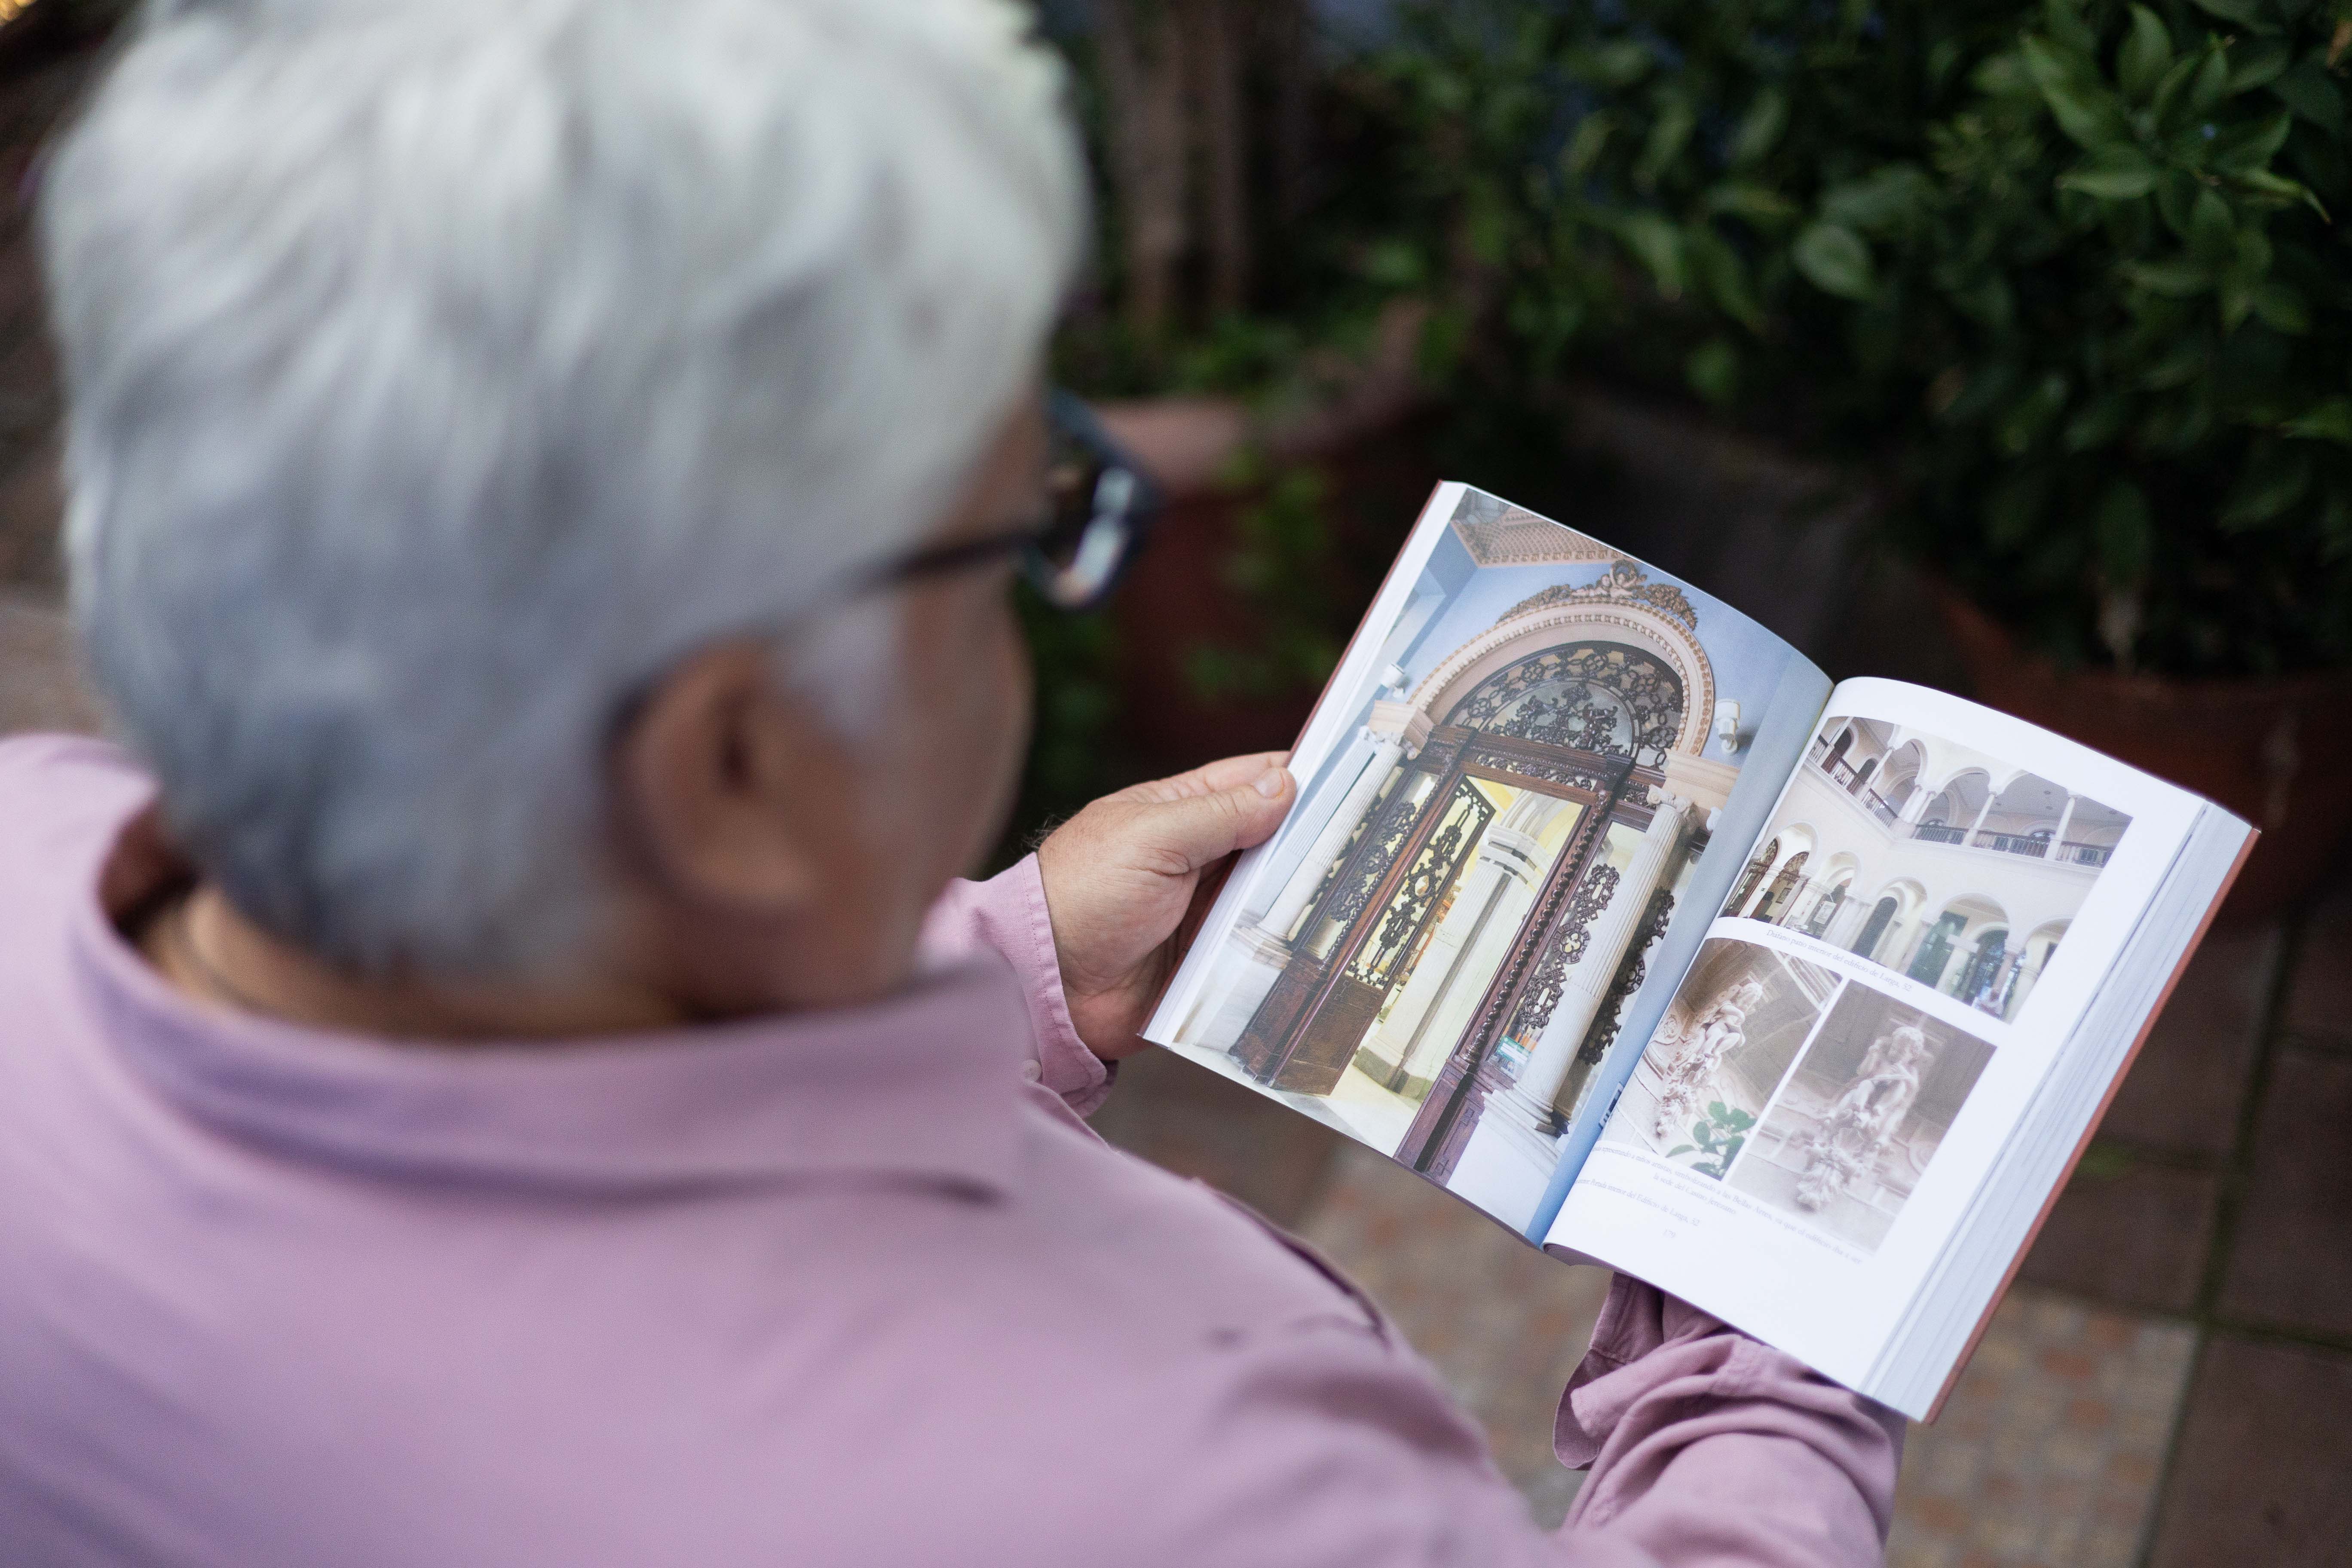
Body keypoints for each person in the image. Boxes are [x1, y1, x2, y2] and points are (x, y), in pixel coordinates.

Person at [0, 1, 1901, 1563]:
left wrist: (1002, 970)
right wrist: (1772, 1335)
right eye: (1017, 544)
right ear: (734, 772)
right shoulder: (1175, 1487)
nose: (1036, 602)